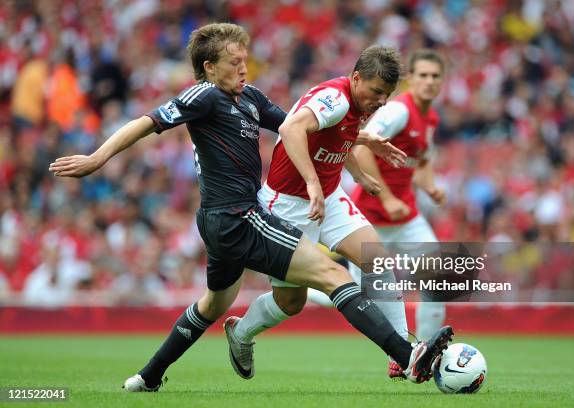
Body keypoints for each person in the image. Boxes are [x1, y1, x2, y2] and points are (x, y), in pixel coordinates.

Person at [49, 24, 453, 391]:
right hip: (243, 216)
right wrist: (96, 158)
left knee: (215, 305)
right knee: (331, 274)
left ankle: (148, 376)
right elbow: (148, 121)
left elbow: (300, 124)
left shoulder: (250, 98)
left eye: (245, 60)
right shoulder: (203, 95)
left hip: (236, 218)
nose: (245, 68)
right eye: (234, 62)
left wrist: (362, 141)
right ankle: (406, 354)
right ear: (209, 67)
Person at [223, 45, 445, 382]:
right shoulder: (336, 97)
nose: (381, 101)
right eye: (376, 92)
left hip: (328, 197)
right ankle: (241, 333)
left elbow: (339, 133)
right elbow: (291, 129)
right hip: (287, 204)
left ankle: (402, 354)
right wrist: (312, 182)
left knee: (378, 261)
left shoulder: (355, 103)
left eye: (386, 95)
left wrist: (357, 168)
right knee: (290, 302)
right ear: (356, 79)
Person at [349, 49, 447, 340]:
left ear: (442, 81)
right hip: (371, 216)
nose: (429, 81)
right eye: (423, 75)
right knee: (354, 297)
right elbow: (361, 148)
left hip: (405, 218)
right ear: (411, 80)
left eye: (435, 76)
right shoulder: (398, 111)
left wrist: (429, 187)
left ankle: (428, 353)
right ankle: (301, 288)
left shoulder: (430, 118)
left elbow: (421, 161)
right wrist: (388, 198)